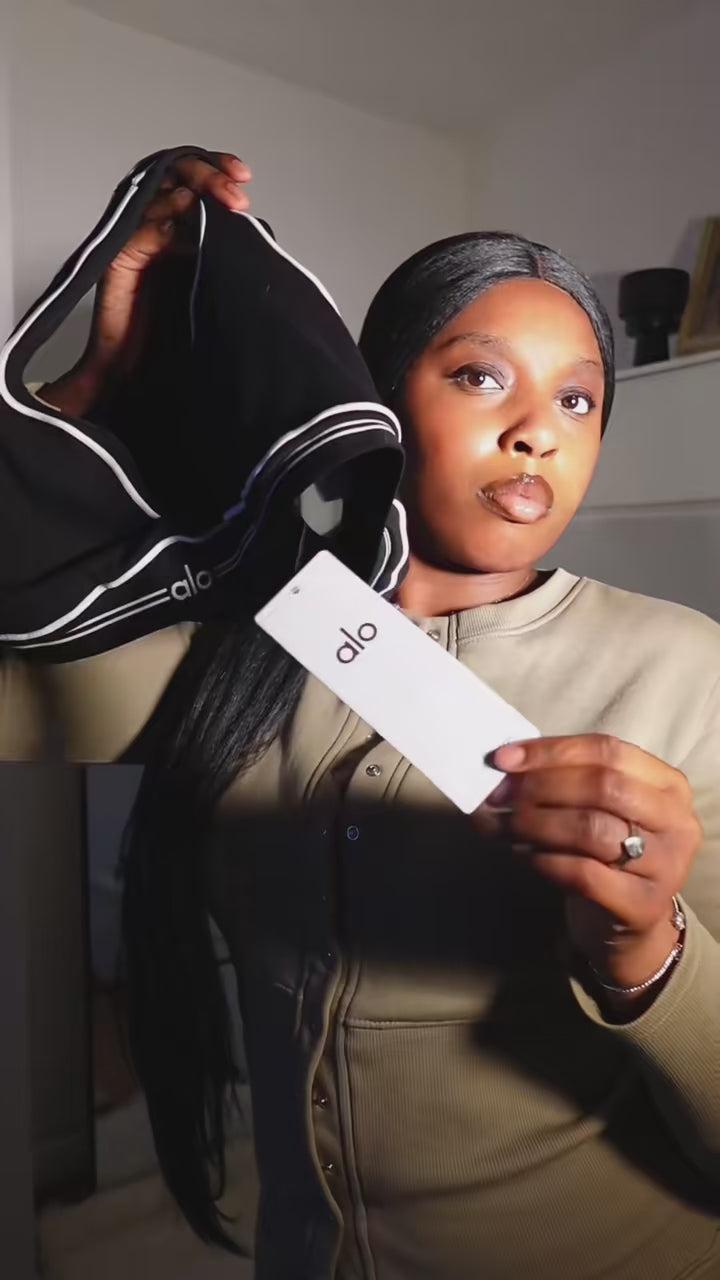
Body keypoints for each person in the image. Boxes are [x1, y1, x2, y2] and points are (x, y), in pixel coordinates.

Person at [13, 152, 720, 1279]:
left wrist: (649, 952)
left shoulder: (688, 668)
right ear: (378, 395)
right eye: (482, 376)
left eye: (578, 398)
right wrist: (80, 404)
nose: (539, 431)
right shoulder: (241, 648)